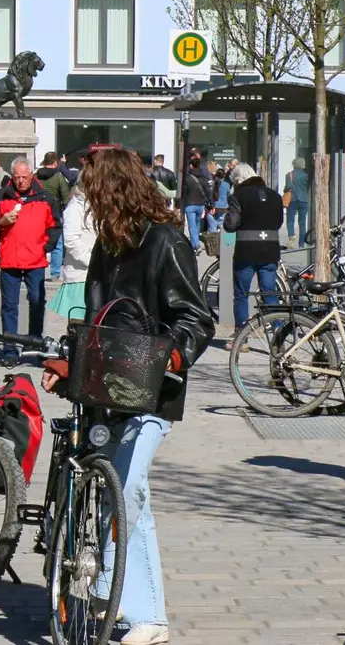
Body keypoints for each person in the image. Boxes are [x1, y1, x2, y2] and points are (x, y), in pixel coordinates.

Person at [57, 147, 212, 645]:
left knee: (128, 492)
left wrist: (170, 357)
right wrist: (71, 362)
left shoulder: (165, 241)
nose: (89, 205)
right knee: (116, 493)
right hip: (107, 388)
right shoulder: (109, 244)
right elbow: (95, 316)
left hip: (151, 389)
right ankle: (116, 593)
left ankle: (147, 615)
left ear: (114, 192)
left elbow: (196, 318)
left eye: (94, 194)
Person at [0, 157, 62, 338]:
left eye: (24, 177)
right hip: (10, 260)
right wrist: (0, 222)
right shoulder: (0, 196)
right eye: (17, 177)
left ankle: (34, 340)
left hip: (35, 260)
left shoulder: (45, 197)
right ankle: (10, 346)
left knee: (36, 302)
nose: (20, 181)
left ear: (31, 175)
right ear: (12, 176)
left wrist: (46, 247)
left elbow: (55, 226)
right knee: (9, 305)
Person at [224, 162, 283, 329]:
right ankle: (278, 332)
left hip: (246, 252)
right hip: (270, 251)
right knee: (269, 293)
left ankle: (242, 334)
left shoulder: (238, 196)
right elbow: (279, 222)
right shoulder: (275, 196)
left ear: (238, 180)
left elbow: (231, 225)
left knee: (241, 294)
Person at [49, 177, 94, 321]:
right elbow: (71, 241)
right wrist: (92, 261)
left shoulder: (96, 206)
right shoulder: (75, 207)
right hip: (80, 277)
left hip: (94, 276)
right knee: (79, 325)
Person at [37, 153, 71, 279]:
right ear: (55, 162)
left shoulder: (36, 176)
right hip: (54, 212)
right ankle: (55, 274)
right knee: (57, 243)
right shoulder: (58, 177)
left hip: (38, 212)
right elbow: (66, 196)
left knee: (38, 241)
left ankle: (38, 268)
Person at [180, 156, 211, 248]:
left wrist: (180, 203)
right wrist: (211, 204)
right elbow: (208, 191)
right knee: (197, 225)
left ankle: (196, 245)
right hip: (200, 204)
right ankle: (195, 242)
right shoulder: (204, 178)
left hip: (190, 204)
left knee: (192, 226)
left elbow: (184, 192)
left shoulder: (187, 178)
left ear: (191, 165)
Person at [284, 157, 310, 246]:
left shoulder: (289, 175)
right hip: (303, 200)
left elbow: (288, 187)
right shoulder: (306, 175)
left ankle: (292, 235)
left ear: (294, 164)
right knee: (302, 223)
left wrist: (285, 190)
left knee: (290, 221)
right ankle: (301, 243)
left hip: (292, 200)